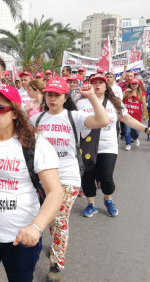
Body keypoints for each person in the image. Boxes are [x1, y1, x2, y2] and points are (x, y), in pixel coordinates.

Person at [0, 84, 63, 282]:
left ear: (15, 113)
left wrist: (36, 227)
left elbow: (55, 192)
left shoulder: (35, 143)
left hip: (20, 239)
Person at [30, 77, 109, 282]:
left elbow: (102, 121)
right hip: (41, 178)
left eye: (57, 95)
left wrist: (91, 96)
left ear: (66, 97)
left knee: (58, 219)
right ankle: (56, 244)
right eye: (49, 94)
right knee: (43, 217)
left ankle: (56, 264)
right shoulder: (36, 120)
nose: (52, 98)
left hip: (67, 176)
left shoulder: (76, 117)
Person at [77, 73, 150, 217]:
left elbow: (128, 119)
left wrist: (146, 129)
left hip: (108, 146)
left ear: (106, 86)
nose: (97, 85)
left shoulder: (114, 102)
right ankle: (91, 204)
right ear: (90, 85)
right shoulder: (81, 103)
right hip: (87, 147)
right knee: (87, 177)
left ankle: (108, 200)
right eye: (94, 82)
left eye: (101, 82)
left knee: (106, 178)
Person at [122, 78, 148, 151]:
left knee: (136, 131)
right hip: (127, 115)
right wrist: (124, 92)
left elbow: (144, 105)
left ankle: (135, 138)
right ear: (130, 84)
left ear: (138, 85)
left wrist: (145, 114)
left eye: (135, 83)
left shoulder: (142, 94)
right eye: (132, 83)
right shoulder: (126, 92)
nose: (134, 85)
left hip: (137, 116)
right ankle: (128, 144)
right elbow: (119, 99)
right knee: (127, 131)